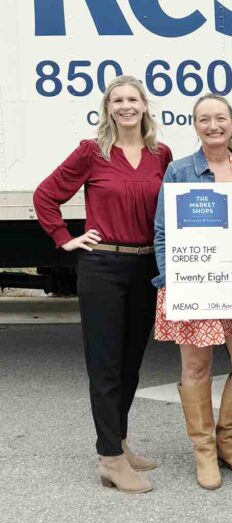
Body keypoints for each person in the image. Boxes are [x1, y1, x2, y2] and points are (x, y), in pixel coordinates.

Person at [33, 75, 172, 493]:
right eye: (118, 100)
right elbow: (45, 195)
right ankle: (109, 459)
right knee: (106, 365)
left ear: (145, 106)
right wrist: (65, 238)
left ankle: (120, 441)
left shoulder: (160, 154)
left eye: (133, 99)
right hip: (102, 269)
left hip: (144, 267)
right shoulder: (92, 153)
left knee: (131, 363)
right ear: (108, 108)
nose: (126, 106)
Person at [153, 94, 232, 490]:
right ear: (195, 125)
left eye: (220, 118)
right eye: (205, 119)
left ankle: (228, 443)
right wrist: (173, 282)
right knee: (196, 367)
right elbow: (163, 231)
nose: (213, 125)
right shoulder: (180, 170)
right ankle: (203, 451)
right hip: (195, 286)